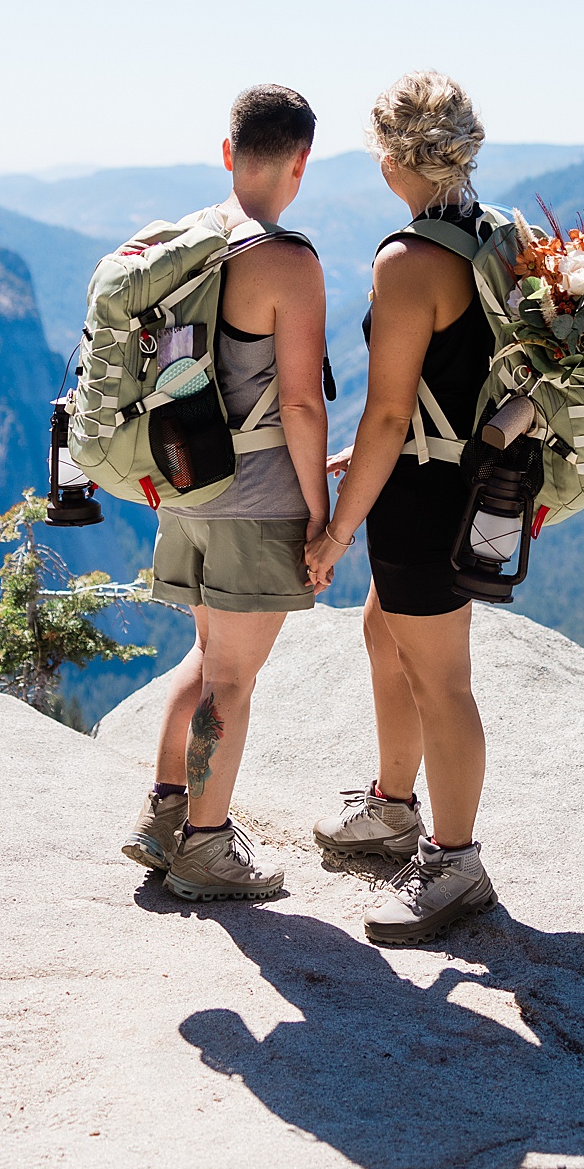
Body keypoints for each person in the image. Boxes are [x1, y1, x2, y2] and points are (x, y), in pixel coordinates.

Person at [122, 84, 337, 902]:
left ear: (227, 152)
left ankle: (164, 814)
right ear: (300, 163)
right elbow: (300, 402)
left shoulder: (183, 244)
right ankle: (207, 845)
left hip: (185, 489)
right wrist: (319, 513)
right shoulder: (286, 260)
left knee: (209, 658)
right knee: (233, 682)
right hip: (255, 501)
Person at [304, 71, 500, 945]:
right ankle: (392, 808)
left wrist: (338, 526)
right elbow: (446, 382)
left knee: (441, 680)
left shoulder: (407, 260)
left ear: (393, 157)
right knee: (384, 634)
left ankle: (456, 863)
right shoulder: (489, 234)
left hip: (424, 495)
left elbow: (386, 410)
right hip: (458, 476)